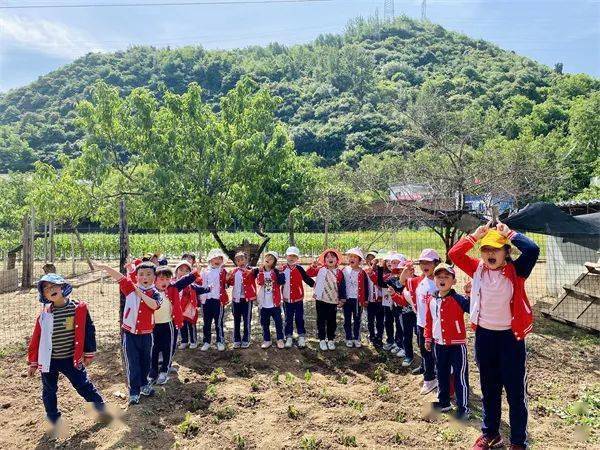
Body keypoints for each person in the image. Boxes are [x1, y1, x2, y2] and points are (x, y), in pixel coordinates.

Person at [449, 223, 539, 450]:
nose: (490, 254)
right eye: (486, 249)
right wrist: (475, 235)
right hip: (485, 338)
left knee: (515, 392)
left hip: (511, 339)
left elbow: (532, 249)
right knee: (489, 389)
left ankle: (518, 441)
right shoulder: (477, 269)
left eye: (496, 249)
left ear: (506, 252)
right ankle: (491, 434)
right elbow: (454, 254)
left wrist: (509, 233)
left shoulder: (516, 271)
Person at [28, 274, 108, 431]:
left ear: (62, 287)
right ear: (43, 295)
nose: (50, 290)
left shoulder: (78, 309)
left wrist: (89, 352)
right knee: (49, 390)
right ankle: (53, 420)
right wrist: (33, 362)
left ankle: (102, 411)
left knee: (83, 385)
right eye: (46, 288)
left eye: (53, 286)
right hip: (49, 360)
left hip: (71, 359)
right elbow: (36, 339)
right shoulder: (44, 315)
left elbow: (89, 330)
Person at [95, 261, 161, 404]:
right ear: (136, 277)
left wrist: (141, 294)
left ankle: (144, 385)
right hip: (130, 334)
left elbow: (154, 305)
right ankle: (134, 392)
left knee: (146, 362)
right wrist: (105, 267)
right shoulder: (130, 288)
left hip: (147, 334)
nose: (145, 277)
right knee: (132, 363)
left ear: (154, 277)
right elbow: (119, 277)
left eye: (149, 274)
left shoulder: (156, 294)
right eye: (141, 274)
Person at [424, 263, 470, 420]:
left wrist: (470, 293)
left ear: (453, 281)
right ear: (434, 279)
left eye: (446, 277)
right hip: (438, 344)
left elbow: (473, 307)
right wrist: (428, 337)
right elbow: (429, 320)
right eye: (439, 277)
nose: (442, 280)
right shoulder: (431, 299)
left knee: (460, 375)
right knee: (441, 373)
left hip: (457, 345)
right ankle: (444, 402)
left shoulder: (459, 299)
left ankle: (463, 407)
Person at [150, 265, 205, 384]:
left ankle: (165, 370)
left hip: (169, 324)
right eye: (162, 279)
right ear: (155, 279)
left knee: (168, 347)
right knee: (154, 348)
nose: (165, 282)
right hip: (154, 325)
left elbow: (185, 281)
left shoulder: (173, 288)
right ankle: (153, 371)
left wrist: (195, 273)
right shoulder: (150, 290)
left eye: (167, 279)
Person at [400, 249, 442, 395]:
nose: (425, 265)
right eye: (422, 262)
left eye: (429, 262)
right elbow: (402, 282)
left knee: (435, 353)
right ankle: (430, 377)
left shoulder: (440, 283)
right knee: (424, 351)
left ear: (436, 263)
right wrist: (406, 270)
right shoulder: (419, 281)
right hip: (421, 323)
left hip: (437, 326)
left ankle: (432, 379)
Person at [307, 249, 346, 351]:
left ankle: (331, 339)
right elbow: (309, 273)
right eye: (327, 257)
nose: (330, 258)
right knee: (321, 320)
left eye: (333, 257)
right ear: (324, 260)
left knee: (332, 321)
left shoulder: (339, 272)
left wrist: (342, 298)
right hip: (320, 299)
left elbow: (342, 286)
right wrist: (313, 266)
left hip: (333, 300)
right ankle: (322, 339)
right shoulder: (320, 269)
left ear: (337, 260)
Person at [280, 246, 314, 348]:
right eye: (290, 255)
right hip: (286, 299)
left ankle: (301, 336)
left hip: (298, 299)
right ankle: (289, 337)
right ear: (286, 256)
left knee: (299, 318)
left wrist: (315, 285)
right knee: (288, 318)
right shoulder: (282, 269)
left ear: (297, 258)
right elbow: (279, 282)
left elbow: (306, 278)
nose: (291, 258)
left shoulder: (299, 269)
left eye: (294, 256)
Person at [198, 249, 230, 352]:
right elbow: (200, 283)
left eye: (220, 258)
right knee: (206, 322)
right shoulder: (205, 271)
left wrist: (228, 279)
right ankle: (207, 341)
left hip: (218, 300)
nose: (218, 260)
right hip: (207, 300)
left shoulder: (223, 271)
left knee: (218, 322)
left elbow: (226, 284)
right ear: (210, 260)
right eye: (215, 258)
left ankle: (220, 341)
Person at [256, 251, 286, 349]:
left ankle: (280, 339)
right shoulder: (260, 271)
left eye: (271, 258)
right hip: (264, 303)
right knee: (265, 323)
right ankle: (267, 340)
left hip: (275, 303)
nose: (268, 259)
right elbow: (260, 283)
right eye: (267, 257)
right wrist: (260, 272)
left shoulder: (276, 271)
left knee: (278, 322)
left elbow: (282, 282)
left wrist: (281, 272)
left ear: (274, 262)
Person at [226, 252, 257, 349]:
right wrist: (227, 279)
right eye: (238, 261)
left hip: (247, 300)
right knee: (236, 320)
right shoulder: (234, 271)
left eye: (242, 260)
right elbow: (230, 283)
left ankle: (246, 339)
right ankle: (236, 339)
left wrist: (252, 270)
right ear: (236, 262)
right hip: (236, 300)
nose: (241, 262)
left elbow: (259, 270)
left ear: (246, 260)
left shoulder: (251, 271)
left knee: (247, 319)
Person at [341, 247, 369, 348]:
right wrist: (340, 298)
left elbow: (366, 287)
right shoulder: (344, 270)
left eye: (355, 257)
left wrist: (365, 300)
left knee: (357, 319)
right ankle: (348, 337)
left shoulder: (362, 272)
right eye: (350, 257)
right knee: (347, 319)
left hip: (358, 300)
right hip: (347, 299)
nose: (352, 258)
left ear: (359, 260)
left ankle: (356, 337)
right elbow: (340, 284)